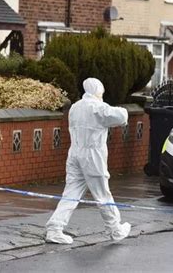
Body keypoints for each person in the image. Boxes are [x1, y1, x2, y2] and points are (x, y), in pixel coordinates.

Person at [46, 78, 131, 244]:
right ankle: (115, 229)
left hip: (75, 152)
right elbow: (121, 117)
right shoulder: (98, 108)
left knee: (71, 193)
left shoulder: (75, 107)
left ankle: (54, 228)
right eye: (101, 92)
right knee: (102, 193)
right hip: (93, 155)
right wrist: (121, 109)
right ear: (98, 90)